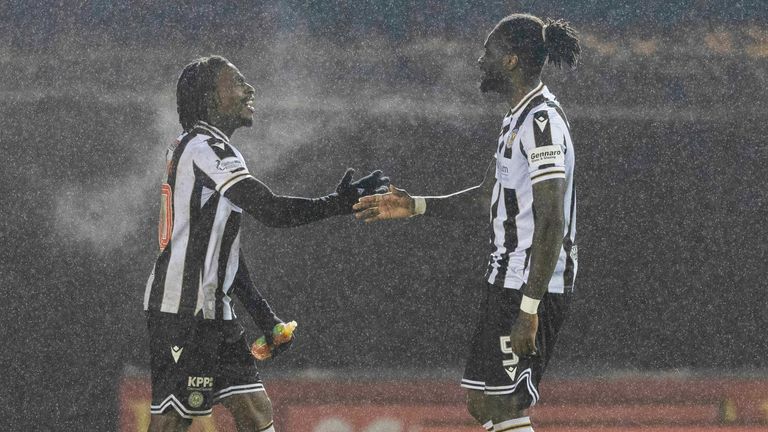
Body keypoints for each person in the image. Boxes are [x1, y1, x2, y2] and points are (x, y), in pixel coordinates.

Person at [353, 14, 580, 432]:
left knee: (503, 404)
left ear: (511, 61)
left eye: (487, 52)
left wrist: (529, 309)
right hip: (507, 278)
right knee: (484, 401)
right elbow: (485, 198)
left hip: (530, 283)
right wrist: (417, 205)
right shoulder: (516, 119)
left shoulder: (541, 123)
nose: (479, 60)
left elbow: (552, 220)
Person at [143, 55, 389, 432]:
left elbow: (225, 255)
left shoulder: (198, 147)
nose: (249, 89)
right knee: (174, 421)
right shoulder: (205, 148)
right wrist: (335, 204)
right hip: (182, 310)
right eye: (237, 82)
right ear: (210, 98)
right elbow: (271, 210)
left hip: (212, 310)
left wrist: (263, 315)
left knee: (254, 409)